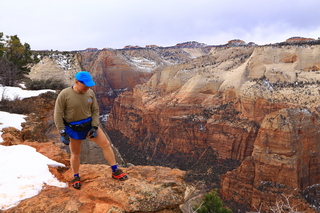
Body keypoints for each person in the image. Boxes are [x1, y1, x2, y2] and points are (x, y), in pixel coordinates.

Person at [54, 71, 128, 189]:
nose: (88, 87)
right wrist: (62, 131)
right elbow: (57, 114)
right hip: (74, 128)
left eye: (89, 85)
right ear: (77, 82)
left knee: (106, 144)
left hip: (89, 125)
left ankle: (115, 170)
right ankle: (76, 176)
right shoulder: (64, 94)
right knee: (75, 153)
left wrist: (94, 126)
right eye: (85, 85)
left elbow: (95, 110)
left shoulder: (90, 93)